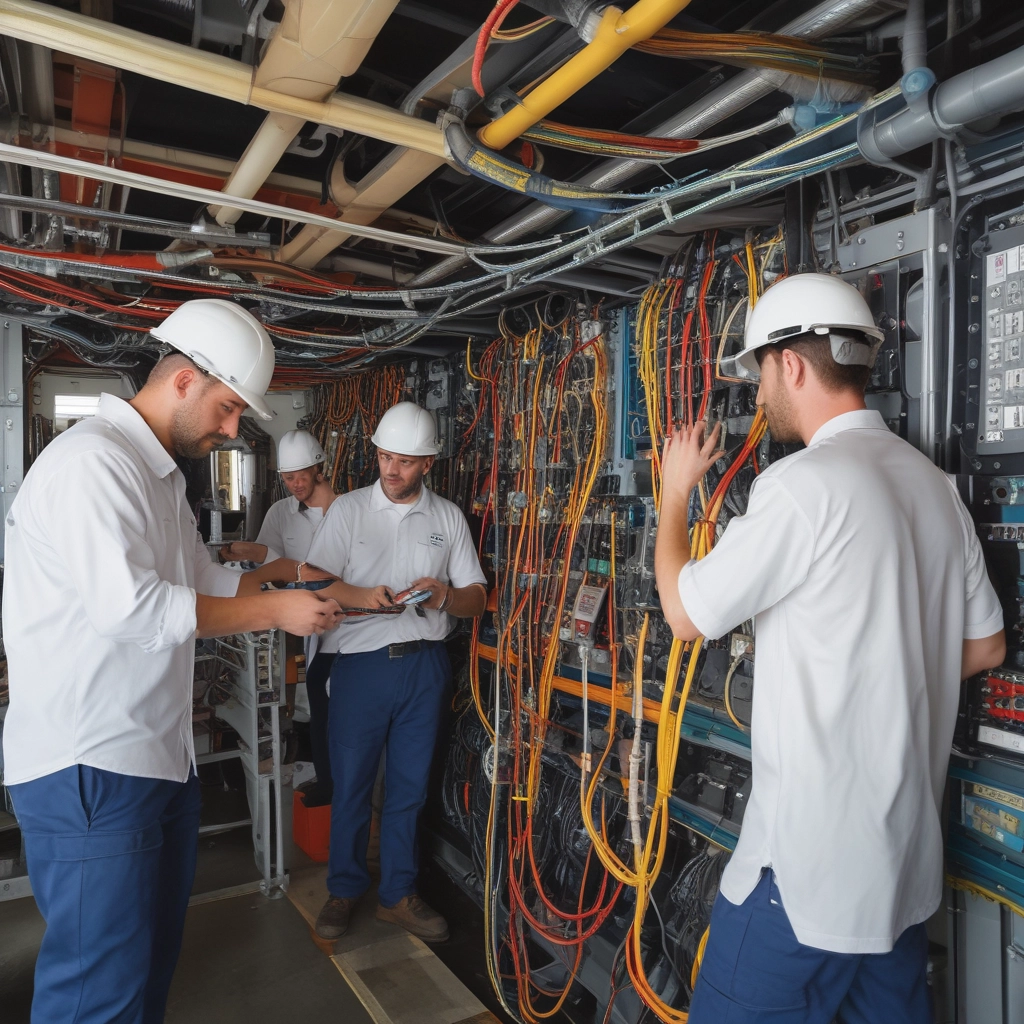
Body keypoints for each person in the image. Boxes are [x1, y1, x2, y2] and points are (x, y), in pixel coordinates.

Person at [654, 273, 1007, 1024]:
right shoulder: (935, 487)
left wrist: (674, 495)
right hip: (901, 876)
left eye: (758, 377)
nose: (757, 400)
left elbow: (685, 615)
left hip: (802, 884)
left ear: (792, 365)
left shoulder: (800, 487)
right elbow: (985, 646)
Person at [2, 298, 344, 1024]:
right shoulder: (95, 464)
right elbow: (132, 610)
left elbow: (213, 583)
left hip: (155, 761)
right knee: (100, 992)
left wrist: (309, 586)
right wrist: (274, 612)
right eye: (225, 409)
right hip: (90, 764)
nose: (229, 431)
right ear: (184, 380)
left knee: (144, 971)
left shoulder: (157, 479)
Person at [298, 401, 487, 943]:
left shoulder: (447, 517)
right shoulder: (350, 511)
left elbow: (475, 598)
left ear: (428, 463)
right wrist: (361, 595)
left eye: (405, 461)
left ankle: (397, 895)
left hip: (424, 668)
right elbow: (314, 578)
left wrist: (445, 594)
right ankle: (343, 887)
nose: (391, 469)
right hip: (360, 666)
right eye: (385, 457)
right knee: (352, 784)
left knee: (409, 789)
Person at [221, 429, 339, 805]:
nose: (296, 483)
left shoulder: (348, 508)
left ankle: (341, 784)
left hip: (346, 623)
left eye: (303, 474)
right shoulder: (280, 513)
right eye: (289, 477)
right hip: (298, 626)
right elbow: (268, 571)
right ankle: (324, 781)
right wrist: (255, 555)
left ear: (319, 467)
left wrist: (263, 555)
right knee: (308, 707)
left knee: (340, 710)